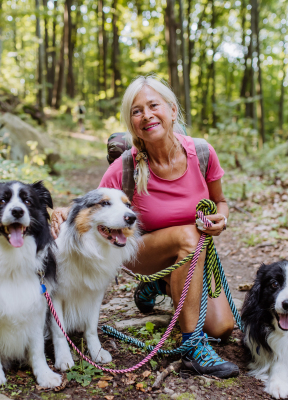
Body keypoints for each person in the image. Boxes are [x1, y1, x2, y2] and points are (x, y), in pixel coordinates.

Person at [51, 76, 238, 378]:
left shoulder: (202, 153)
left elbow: (220, 201)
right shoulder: (126, 165)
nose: (147, 115)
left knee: (222, 327)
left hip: (191, 257)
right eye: (136, 111)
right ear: (131, 122)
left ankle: (162, 285)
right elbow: (93, 207)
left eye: (154, 105)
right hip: (142, 253)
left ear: (173, 110)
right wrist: (60, 213)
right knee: (188, 235)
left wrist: (222, 218)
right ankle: (192, 348)